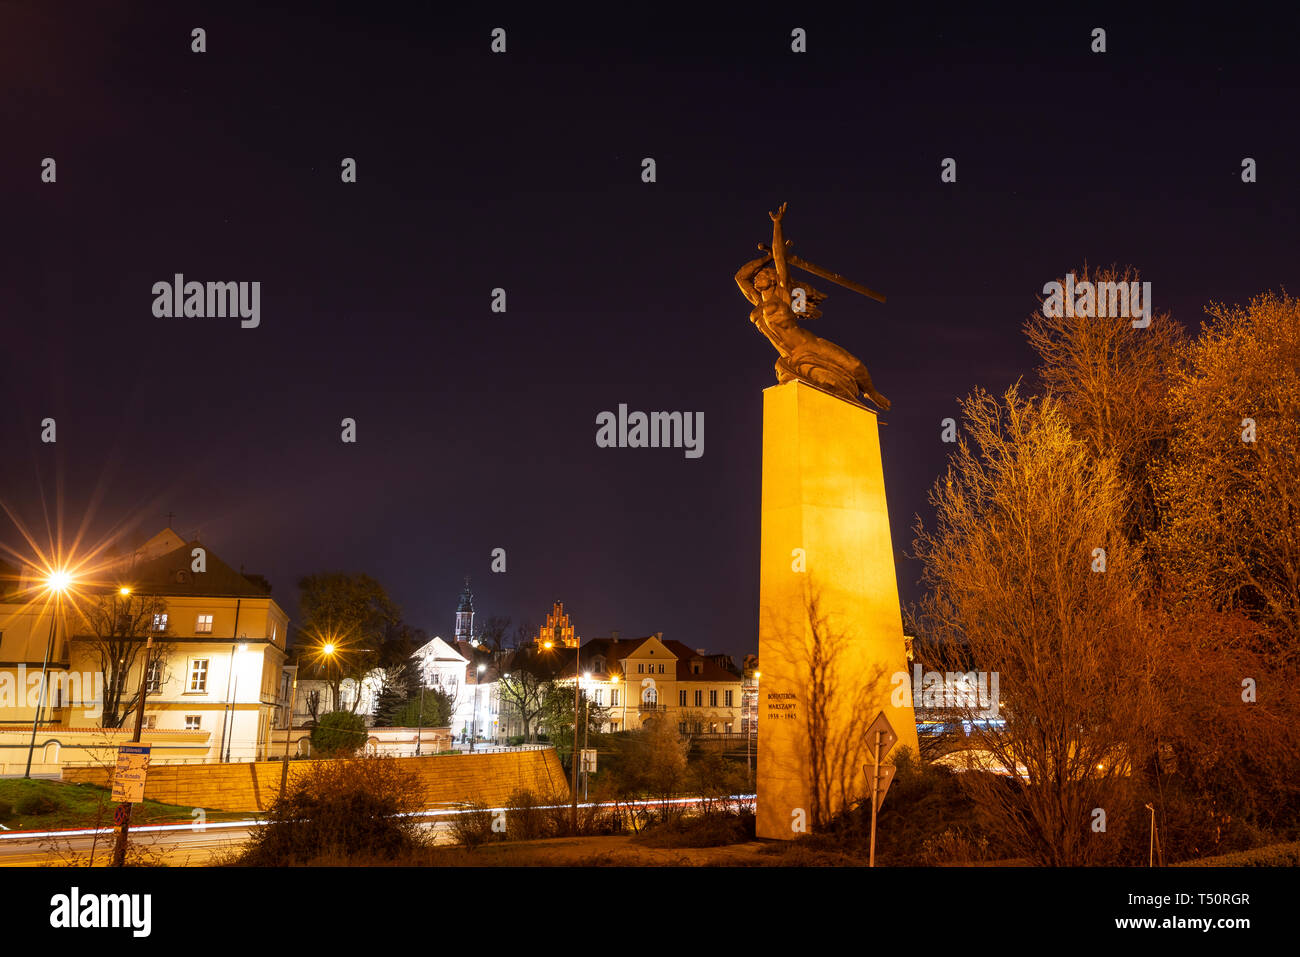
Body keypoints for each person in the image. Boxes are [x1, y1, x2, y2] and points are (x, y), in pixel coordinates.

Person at [735, 203, 890, 411]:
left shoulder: (782, 295)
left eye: (762, 275)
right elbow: (740, 276)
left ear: (772, 279)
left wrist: (777, 225)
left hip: (808, 344)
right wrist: (766, 258)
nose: (756, 279)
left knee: (855, 365)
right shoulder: (758, 303)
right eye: (757, 277)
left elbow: (781, 258)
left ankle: (872, 392)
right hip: (789, 355)